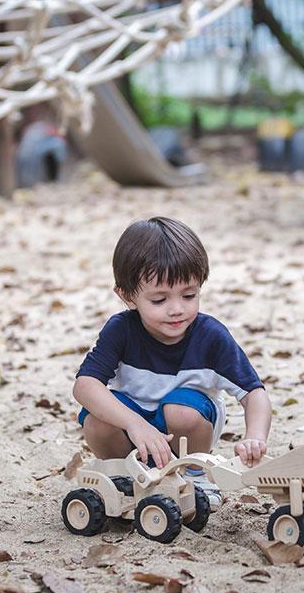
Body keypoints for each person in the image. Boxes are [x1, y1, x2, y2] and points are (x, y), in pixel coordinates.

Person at [73, 216, 271, 505]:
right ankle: (123, 476)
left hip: (186, 430)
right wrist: (134, 424)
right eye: (159, 300)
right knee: (96, 419)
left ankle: (194, 475)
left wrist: (255, 435)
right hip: (133, 428)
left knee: (180, 410)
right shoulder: (121, 330)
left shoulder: (210, 336)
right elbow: (85, 386)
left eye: (189, 295)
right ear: (128, 296)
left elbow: (254, 393)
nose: (177, 309)